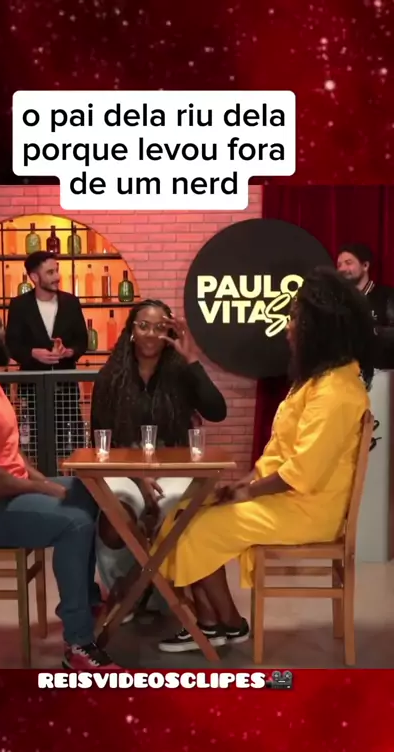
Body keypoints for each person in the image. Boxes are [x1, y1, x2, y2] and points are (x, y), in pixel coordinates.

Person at [152, 267, 375, 653]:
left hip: (306, 508)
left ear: (318, 330)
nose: (287, 327)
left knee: (199, 528)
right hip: (286, 497)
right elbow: (279, 452)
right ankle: (218, 621)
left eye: (295, 319)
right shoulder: (316, 382)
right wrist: (245, 483)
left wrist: (250, 492)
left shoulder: (337, 391)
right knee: (182, 515)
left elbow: (302, 471)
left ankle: (219, 623)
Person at [0, 295, 119, 670]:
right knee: (74, 522)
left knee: (91, 492)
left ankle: (85, 599)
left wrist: (45, 480)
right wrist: (46, 490)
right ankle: (78, 644)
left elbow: (9, 454)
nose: (6, 335)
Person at [90, 299, 227, 609]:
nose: (151, 334)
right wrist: (138, 476)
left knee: (176, 518)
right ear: (131, 331)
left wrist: (192, 359)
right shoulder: (110, 377)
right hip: (125, 470)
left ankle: (134, 589)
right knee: (114, 523)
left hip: (174, 470)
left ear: (169, 334)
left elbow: (217, 411)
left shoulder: (181, 373)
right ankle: (146, 584)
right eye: (143, 326)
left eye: (160, 327)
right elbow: (101, 443)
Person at [6, 251, 88, 456]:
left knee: (71, 448)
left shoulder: (71, 302)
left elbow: (82, 341)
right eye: (50, 272)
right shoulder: (19, 305)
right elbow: (11, 344)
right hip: (31, 390)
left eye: (57, 270)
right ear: (34, 277)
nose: (57, 276)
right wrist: (33, 353)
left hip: (66, 388)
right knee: (35, 447)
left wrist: (69, 352)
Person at [337, 242, 394, 369]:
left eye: (348, 263)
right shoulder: (336, 299)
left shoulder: (387, 296)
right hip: (344, 373)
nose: (342, 269)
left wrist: (372, 331)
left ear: (365, 265)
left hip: (381, 372)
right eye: (339, 265)